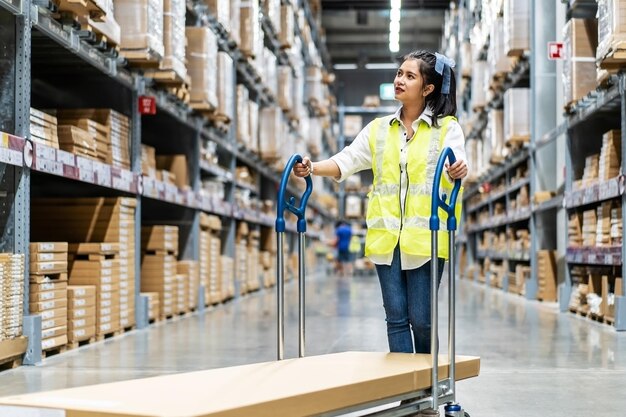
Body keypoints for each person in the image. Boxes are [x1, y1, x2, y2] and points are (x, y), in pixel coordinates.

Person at [293, 50, 468, 354]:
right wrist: (312, 167)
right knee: (396, 318)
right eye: (400, 73)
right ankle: (406, 395)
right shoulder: (378, 130)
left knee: (423, 320)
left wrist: (459, 169)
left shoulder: (447, 129)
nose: (399, 79)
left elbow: (459, 163)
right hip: (386, 239)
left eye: (410, 76)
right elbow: (346, 160)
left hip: (426, 239)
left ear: (428, 89)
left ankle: (428, 387)